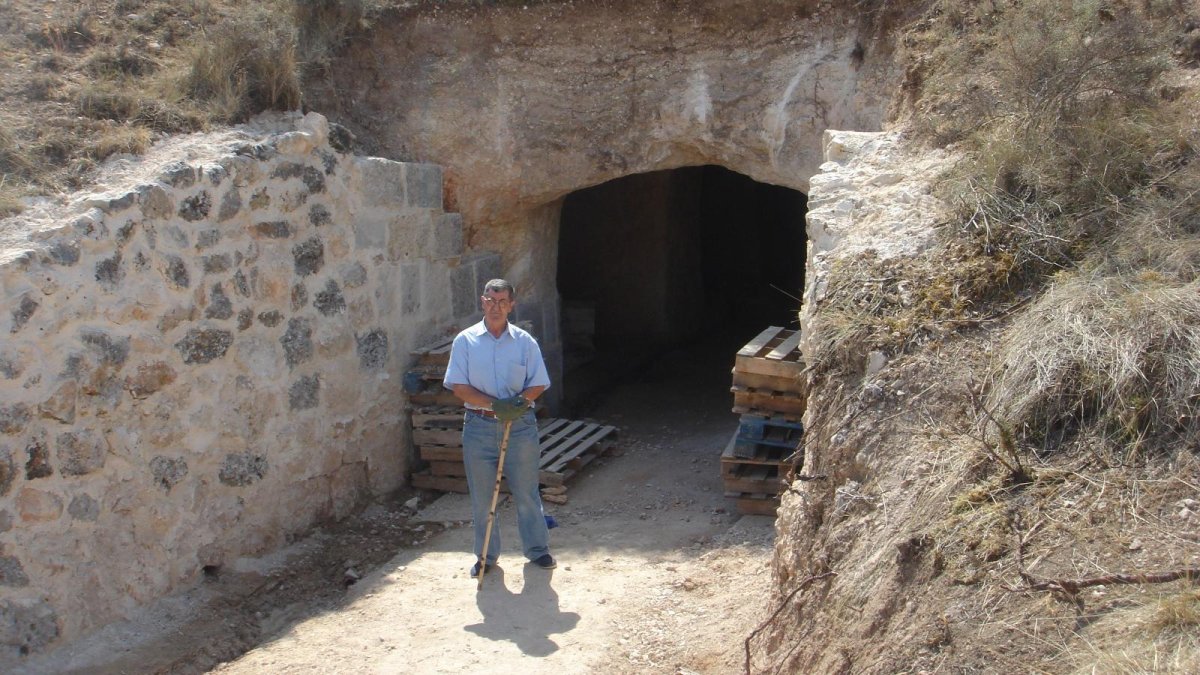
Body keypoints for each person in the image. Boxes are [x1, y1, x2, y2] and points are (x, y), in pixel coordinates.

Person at [443, 278, 555, 578]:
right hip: (478, 427)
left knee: (526, 493)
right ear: (482, 302)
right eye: (491, 301)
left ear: (511, 305)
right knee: (483, 497)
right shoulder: (465, 341)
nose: (496, 307)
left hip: (519, 428)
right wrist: (495, 405)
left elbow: (539, 382)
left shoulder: (524, 342)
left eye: (502, 301)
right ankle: (486, 556)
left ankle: (537, 550)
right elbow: (458, 386)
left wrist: (518, 403)